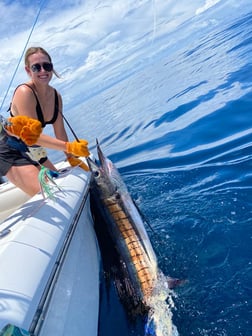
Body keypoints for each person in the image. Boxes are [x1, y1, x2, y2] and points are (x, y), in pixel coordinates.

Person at [0, 46, 89, 196]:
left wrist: (70, 157)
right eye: (36, 67)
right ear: (28, 71)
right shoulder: (24, 92)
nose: (43, 71)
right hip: (9, 151)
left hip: (34, 151)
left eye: (47, 66)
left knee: (63, 189)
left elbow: (59, 130)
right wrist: (70, 147)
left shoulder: (56, 96)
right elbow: (33, 138)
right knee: (51, 194)